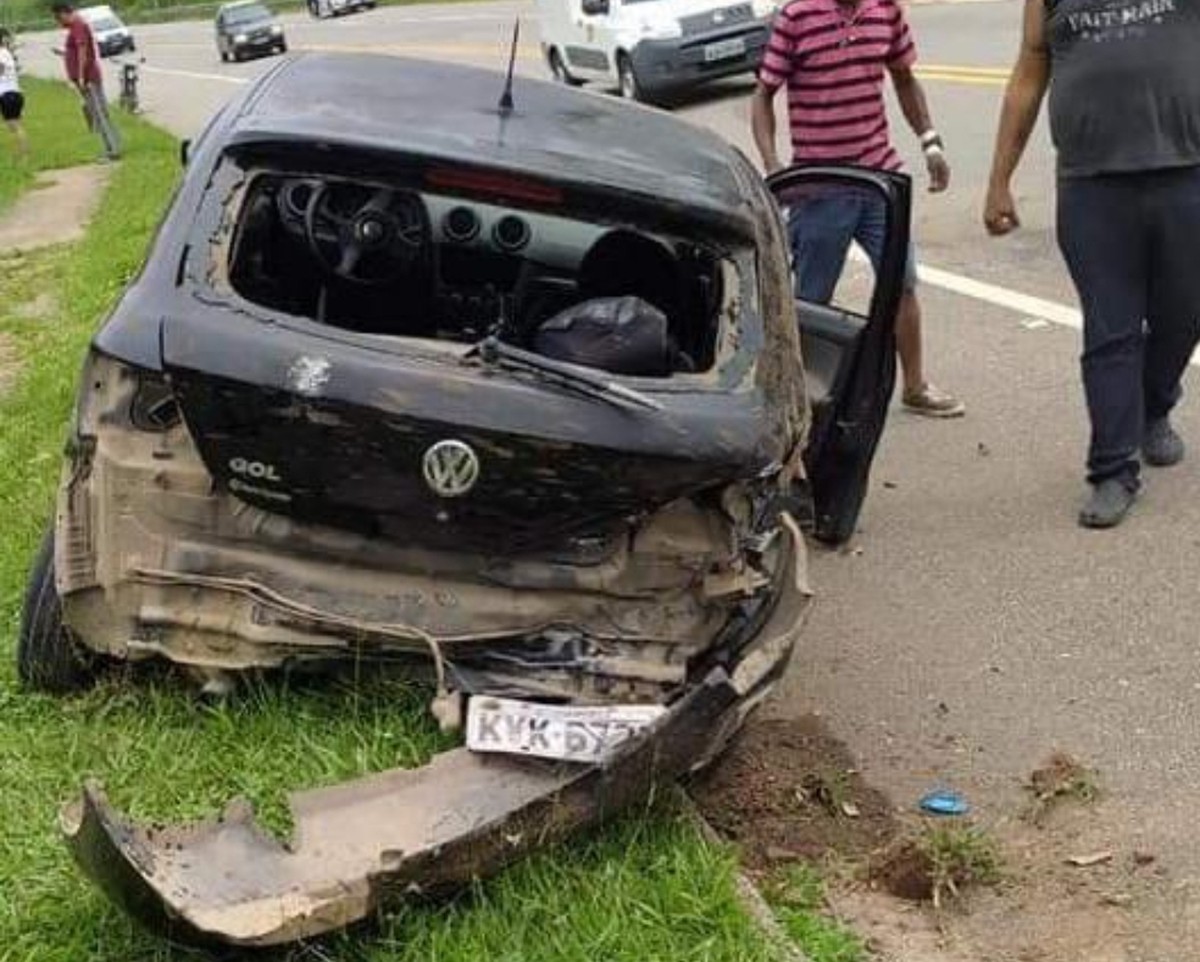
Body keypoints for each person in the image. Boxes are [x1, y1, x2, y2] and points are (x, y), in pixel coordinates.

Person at [985, 0, 1200, 529]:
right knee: (1111, 330)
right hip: (1092, 189)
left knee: (1184, 316)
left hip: (1188, 175)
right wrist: (999, 180)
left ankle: (1153, 405)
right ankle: (1112, 468)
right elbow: (1029, 74)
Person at [751, 0, 964, 419]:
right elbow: (763, 97)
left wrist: (930, 141)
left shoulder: (885, 10)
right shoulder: (797, 17)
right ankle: (794, 400)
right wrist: (774, 166)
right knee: (811, 301)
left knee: (901, 282)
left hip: (879, 182)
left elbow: (904, 77)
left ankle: (915, 386)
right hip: (820, 189)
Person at [51, 1, 120, 161]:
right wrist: (64, 54)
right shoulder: (75, 27)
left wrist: (82, 76)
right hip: (85, 78)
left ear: (63, 13)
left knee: (99, 113)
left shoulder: (78, 26)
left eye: (58, 18)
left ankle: (113, 150)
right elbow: (76, 51)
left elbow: (83, 51)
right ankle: (111, 147)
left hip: (88, 79)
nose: (59, 23)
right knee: (97, 113)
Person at [0, 27, 27, 158]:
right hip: (14, 93)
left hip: (8, 95)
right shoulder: (6, 52)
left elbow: (1, 68)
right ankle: (20, 152)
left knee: (14, 126)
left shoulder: (1, 53)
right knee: (15, 126)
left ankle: (23, 154)